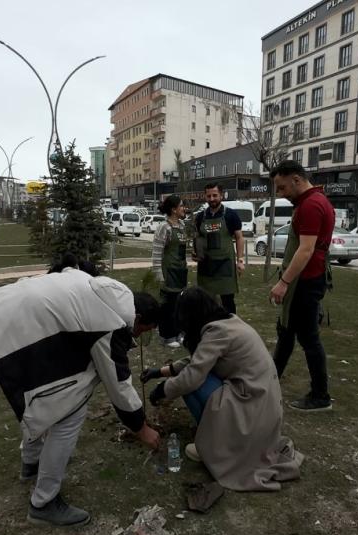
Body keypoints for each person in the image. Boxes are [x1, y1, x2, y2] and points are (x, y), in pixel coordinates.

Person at [0, 271, 161, 527]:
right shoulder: (111, 322)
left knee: (45, 399)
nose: (139, 336)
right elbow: (118, 383)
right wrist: (141, 428)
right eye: (143, 330)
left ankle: (32, 463)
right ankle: (44, 503)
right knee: (68, 412)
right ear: (138, 318)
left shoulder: (103, 291)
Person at [143, 287, 304, 491]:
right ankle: (217, 433)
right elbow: (196, 361)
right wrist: (159, 372)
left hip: (252, 408)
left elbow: (192, 376)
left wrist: (162, 390)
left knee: (191, 384)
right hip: (262, 404)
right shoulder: (226, 323)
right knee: (195, 376)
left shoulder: (217, 332)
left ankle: (217, 444)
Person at [268, 160, 335, 411]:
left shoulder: (311, 205)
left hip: (304, 282)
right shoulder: (313, 201)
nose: (281, 194)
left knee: (308, 338)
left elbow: (305, 250)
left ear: (296, 180)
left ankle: (320, 396)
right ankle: (270, 378)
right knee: (286, 330)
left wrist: (283, 282)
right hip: (305, 280)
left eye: (283, 187)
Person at [193, 183, 244, 313]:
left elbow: (239, 238)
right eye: (209, 196)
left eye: (215, 195)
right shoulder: (200, 217)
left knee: (227, 301)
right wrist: (196, 253)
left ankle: (231, 324)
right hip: (206, 265)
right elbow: (198, 238)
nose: (212, 199)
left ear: (221, 195)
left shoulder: (231, 215)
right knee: (205, 301)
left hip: (224, 265)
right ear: (205, 196)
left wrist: (240, 260)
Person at [151, 195, 188, 348]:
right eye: (181, 206)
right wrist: (158, 274)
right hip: (168, 272)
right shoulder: (164, 227)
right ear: (173, 210)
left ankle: (178, 333)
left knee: (179, 305)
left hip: (180, 271)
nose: (184, 208)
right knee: (168, 306)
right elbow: (157, 253)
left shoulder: (182, 226)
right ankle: (167, 336)